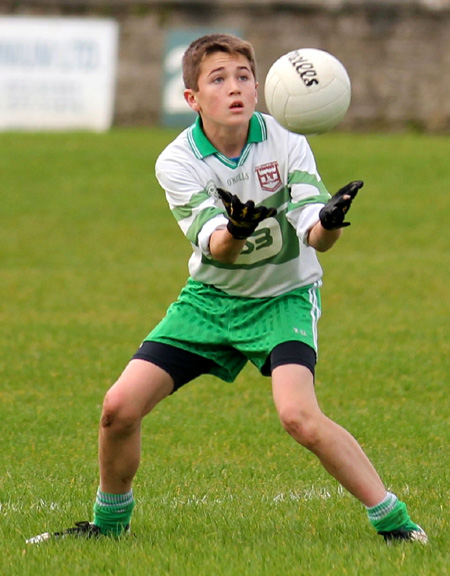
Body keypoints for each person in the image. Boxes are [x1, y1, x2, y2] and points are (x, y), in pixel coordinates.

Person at [27, 33, 427, 545]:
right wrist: (236, 229)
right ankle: (108, 526)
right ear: (191, 98)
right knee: (118, 408)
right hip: (211, 301)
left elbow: (317, 237)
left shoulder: (285, 140)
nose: (234, 87)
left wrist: (329, 219)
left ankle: (395, 524)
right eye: (218, 79)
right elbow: (217, 247)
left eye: (243, 77)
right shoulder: (176, 161)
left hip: (283, 298)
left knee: (299, 416)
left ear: (258, 88)